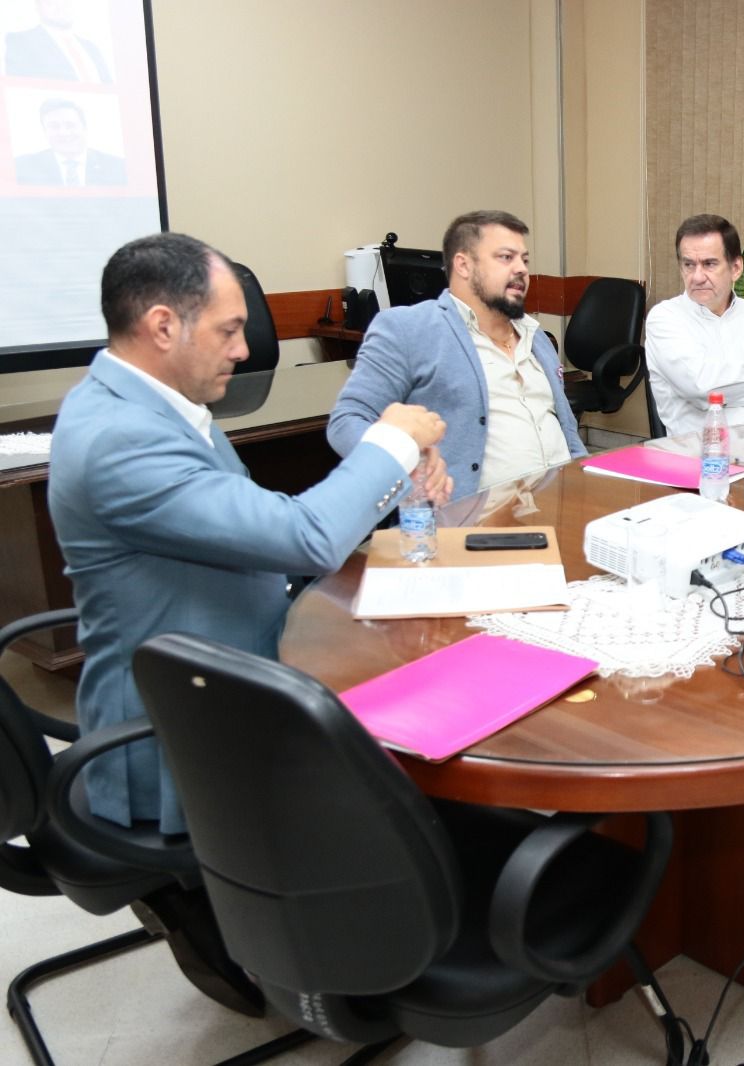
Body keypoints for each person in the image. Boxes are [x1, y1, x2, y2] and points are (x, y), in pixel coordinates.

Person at [48, 233, 448, 1016]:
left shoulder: (147, 402)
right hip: (179, 733)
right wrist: (394, 439)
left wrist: (388, 482)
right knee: (402, 777)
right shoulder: (119, 439)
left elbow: (248, 530)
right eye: (229, 331)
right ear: (164, 326)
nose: (244, 348)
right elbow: (297, 535)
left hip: (225, 664)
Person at [328, 209, 586, 498]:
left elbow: (565, 427)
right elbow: (348, 420)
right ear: (463, 265)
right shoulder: (409, 329)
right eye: (505, 257)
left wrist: (585, 478)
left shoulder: (534, 335)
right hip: (470, 523)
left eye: (524, 260)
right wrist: (402, 468)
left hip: (562, 504)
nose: (521, 269)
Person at [645, 213, 744, 437]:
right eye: (688, 265)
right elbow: (701, 387)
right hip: (699, 458)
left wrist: (724, 390)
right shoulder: (665, 318)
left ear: (736, 268)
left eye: (709, 264)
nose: (697, 277)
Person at [13, 98, 126, 186]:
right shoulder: (21, 167)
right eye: (54, 126)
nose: (64, 133)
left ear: (84, 128)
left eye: (70, 125)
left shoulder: (117, 167)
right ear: (44, 131)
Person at [3, 0, 111, 82]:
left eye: (65, 2)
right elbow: (20, 86)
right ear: (38, 7)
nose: (60, 6)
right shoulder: (21, 42)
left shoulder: (91, 48)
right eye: (52, 2)